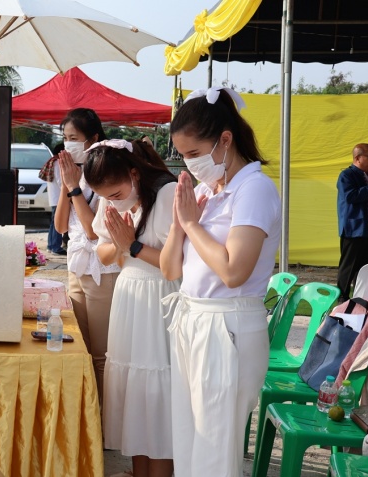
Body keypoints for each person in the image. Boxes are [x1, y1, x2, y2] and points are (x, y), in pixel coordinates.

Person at [160, 87, 281, 476]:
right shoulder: (206, 191)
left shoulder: (254, 188)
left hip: (227, 326)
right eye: (183, 155)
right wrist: (180, 224)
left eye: (194, 153)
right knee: (188, 439)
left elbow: (233, 271)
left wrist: (192, 224)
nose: (189, 163)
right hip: (192, 319)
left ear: (225, 140)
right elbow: (170, 270)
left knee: (215, 448)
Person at [84, 139, 179, 477]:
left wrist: (131, 245)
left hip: (160, 298)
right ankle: (139, 471)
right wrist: (120, 244)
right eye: (105, 197)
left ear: (135, 173)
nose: (111, 201)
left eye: (116, 193)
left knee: (158, 392)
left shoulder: (166, 194)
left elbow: (176, 264)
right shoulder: (113, 199)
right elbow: (103, 252)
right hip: (130, 295)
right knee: (134, 392)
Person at [53, 108, 119, 409]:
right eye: (65, 138)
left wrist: (75, 188)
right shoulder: (71, 173)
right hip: (77, 269)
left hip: (103, 271)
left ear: (93, 138)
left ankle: (105, 421)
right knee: (80, 348)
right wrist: (67, 185)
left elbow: (94, 231)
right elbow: (60, 226)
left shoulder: (106, 171)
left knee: (102, 354)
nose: (68, 144)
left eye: (73, 138)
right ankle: (88, 416)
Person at [336, 143, 368, 301]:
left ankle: (363, 298)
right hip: (354, 228)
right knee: (349, 267)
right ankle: (342, 299)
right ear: (358, 158)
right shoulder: (347, 175)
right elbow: (350, 196)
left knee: (367, 267)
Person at [41, 143, 66, 255]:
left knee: (54, 222)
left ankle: (51, 245)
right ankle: (55, 247)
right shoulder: (58, 163)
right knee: (57, 222)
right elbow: (62, 182)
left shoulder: (52, 162)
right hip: (59, 197)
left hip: (54, 197)